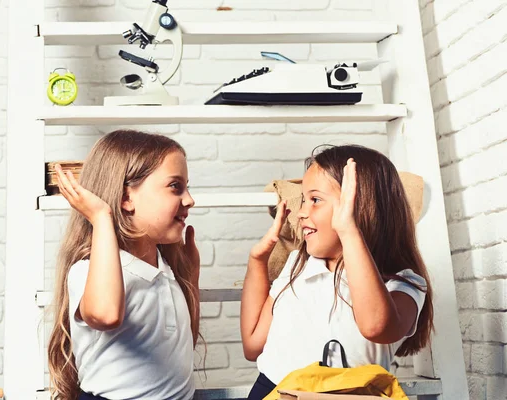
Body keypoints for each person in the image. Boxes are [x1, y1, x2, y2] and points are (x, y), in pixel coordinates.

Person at [240, 145, 434, 400]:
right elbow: (253, 345)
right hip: (274, 392)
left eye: (315, 200)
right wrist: (257, 259)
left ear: (362, 206)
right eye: (304, 200)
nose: (301, 212)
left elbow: (376, 327)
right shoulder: (297, 264)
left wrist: (348, 230)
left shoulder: (405, 283)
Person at [47, 130, 200, 400]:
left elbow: (180, 349)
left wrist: (191, 276)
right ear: (125, 198)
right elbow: (106, 315)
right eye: (175, 186)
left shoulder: (163, 270)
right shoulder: (89, 270)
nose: (189, 200)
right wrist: (101, 217)